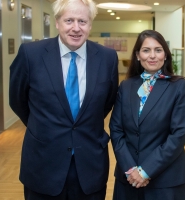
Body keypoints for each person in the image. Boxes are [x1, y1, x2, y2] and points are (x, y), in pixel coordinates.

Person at [9, 0, 119, 199]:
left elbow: (106, 102)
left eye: (82, 21)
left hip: (89, 165)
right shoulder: (31, 54)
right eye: (69, 20)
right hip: (43, 162)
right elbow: (17, 100)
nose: (76, 28)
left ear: (90, 24)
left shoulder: (107, 57)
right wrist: (43, 125)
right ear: (57, 22)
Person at [109, 30, 185, 200]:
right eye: (146, 50)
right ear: (138, 55)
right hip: (129, 179)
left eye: (158, 50)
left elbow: (178, 135)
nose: (152, 56)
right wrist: (131, 169)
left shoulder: (179, 87)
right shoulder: (126, 86)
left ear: (166, 55)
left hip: (165, 180)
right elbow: (116, 130)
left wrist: (146, 170)